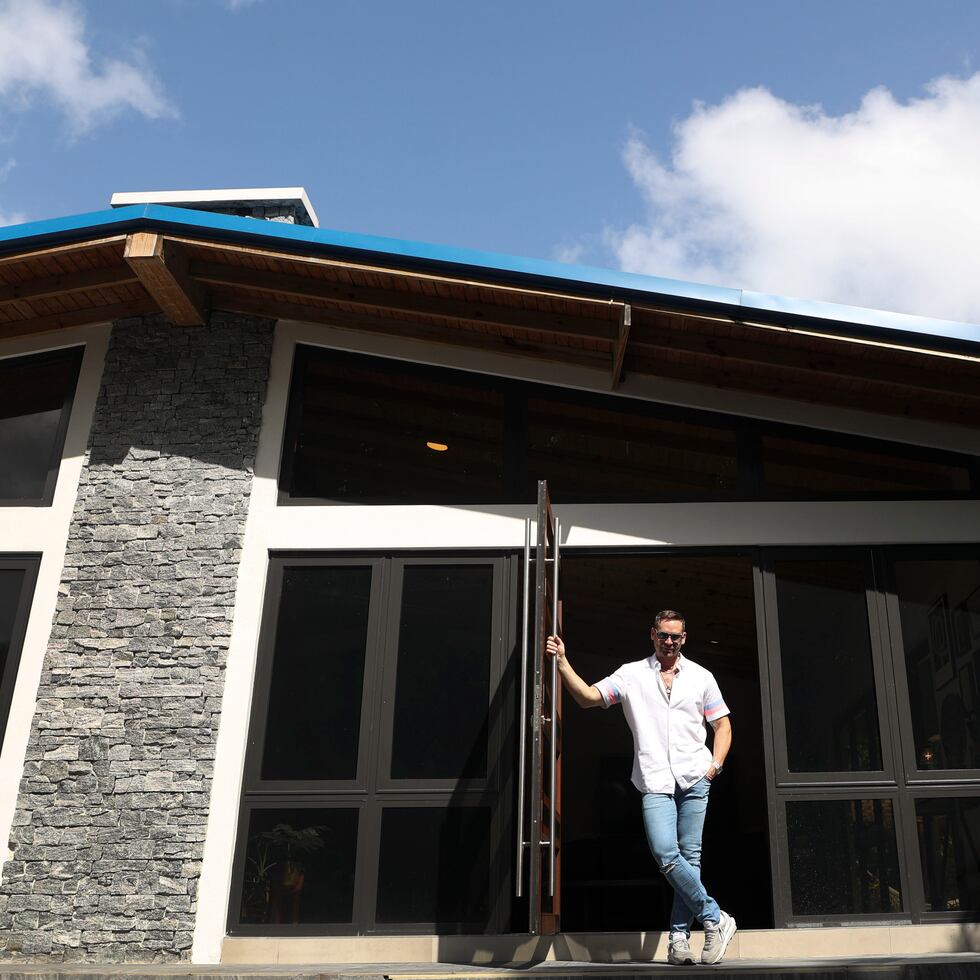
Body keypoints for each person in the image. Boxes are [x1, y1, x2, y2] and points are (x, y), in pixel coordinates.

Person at [546, 609, 735, 965]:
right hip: (654, 781)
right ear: (652, 635)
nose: (669, 642)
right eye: (663, 635)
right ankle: (716, 917)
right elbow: (588, 697)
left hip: (696, 777)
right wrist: (562, 662)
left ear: (684, 639)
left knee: (689, 859)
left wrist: (714, 766)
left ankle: (678, 940)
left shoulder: (702, 677)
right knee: (667, 855)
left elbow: (722, 726)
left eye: (675, 637)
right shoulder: (632, 675)